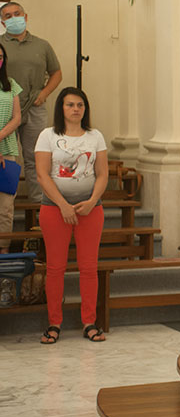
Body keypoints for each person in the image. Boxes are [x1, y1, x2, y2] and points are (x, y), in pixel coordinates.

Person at [35, 87, 108, 344]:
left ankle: (89, 322)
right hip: (55, 209)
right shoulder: (47, 136)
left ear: (85, 108)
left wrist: (91, 201)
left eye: (80, 104)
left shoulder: (95, 136)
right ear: (61, 108)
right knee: (56, 268)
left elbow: (102, 174)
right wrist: (63, 205)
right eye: (70, 105)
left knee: (89, 268)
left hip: (90, 210)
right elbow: (43, 175)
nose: (76, 109)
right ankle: (54, 324)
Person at [0, 1, 62, 203]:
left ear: (25, 17)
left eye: (17, 14)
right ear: (2, 22)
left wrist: (44, 93)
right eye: (8, 16)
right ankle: (6, 201)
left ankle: (38, 203)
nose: (13, 18)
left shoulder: (42, 45)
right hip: (5, 109)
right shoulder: (1, 45)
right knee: (6, 157)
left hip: (34, 108)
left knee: (36, 157)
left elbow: (56, 73)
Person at [0, 42, 22, 251]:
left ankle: (3, 251)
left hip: (7, 151)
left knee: (6, 208)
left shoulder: (11, 84)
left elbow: (17, 118)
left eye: (0, 56)